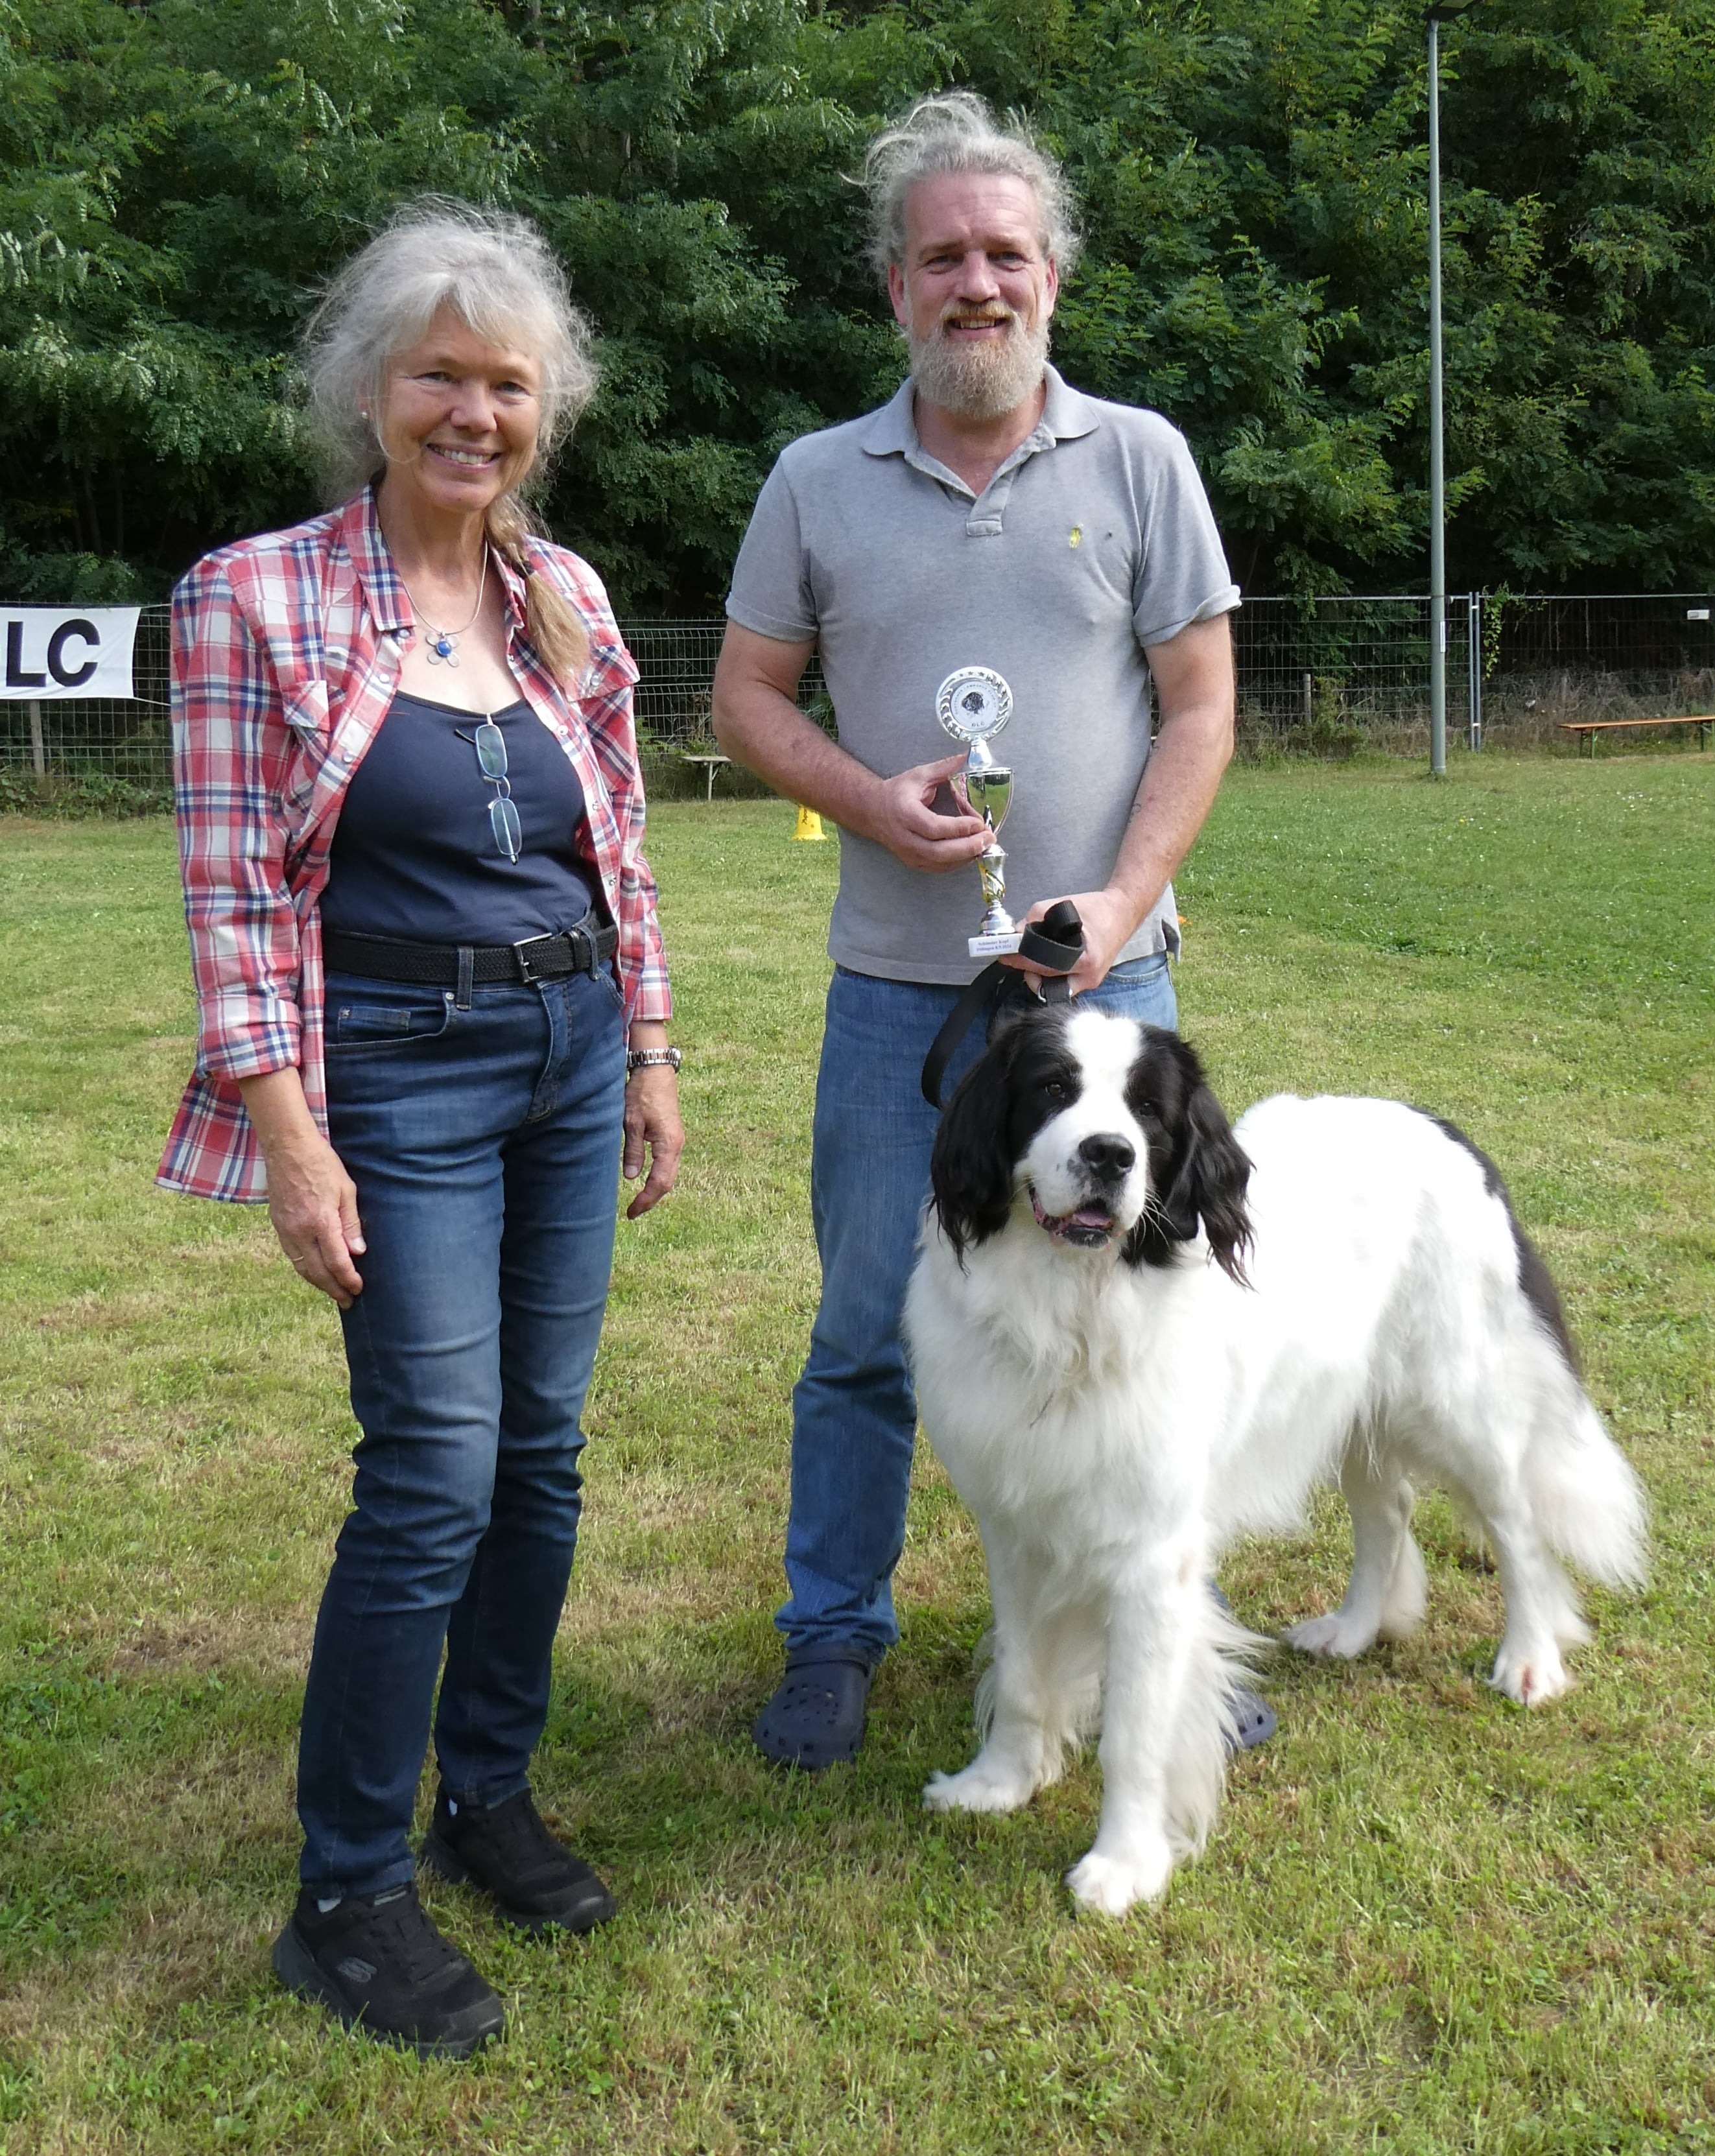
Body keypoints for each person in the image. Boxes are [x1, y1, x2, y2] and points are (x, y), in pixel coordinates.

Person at [158, 200, 683, 2059]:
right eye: (440, 375)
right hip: (394, 1070)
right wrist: (292, 1138)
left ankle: (489, 1793)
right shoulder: (254, 597)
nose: (475, 413)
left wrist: (648, 1051)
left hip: (566, 1053)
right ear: (370, 392)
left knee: (541, 1454)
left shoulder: (568, 599)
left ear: (548, 410)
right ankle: (347, 1892)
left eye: (509, 385)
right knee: (434, 1473)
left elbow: (611, 842)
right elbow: (234, 902)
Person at [713, 93, 1272, 1771]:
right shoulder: (817, 480)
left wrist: (1112, 900)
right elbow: (745, 697)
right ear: (896, 287)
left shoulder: (1144, 462)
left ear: (1053, 279)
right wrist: (871, 799)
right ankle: (834, 1638)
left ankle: (1158, 1642)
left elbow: (1201, 711)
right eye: (944, 255)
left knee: (1143, 1338)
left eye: (1006, 253)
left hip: (1109, 995)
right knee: (866, 1328)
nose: (978, 281)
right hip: (901, 997)